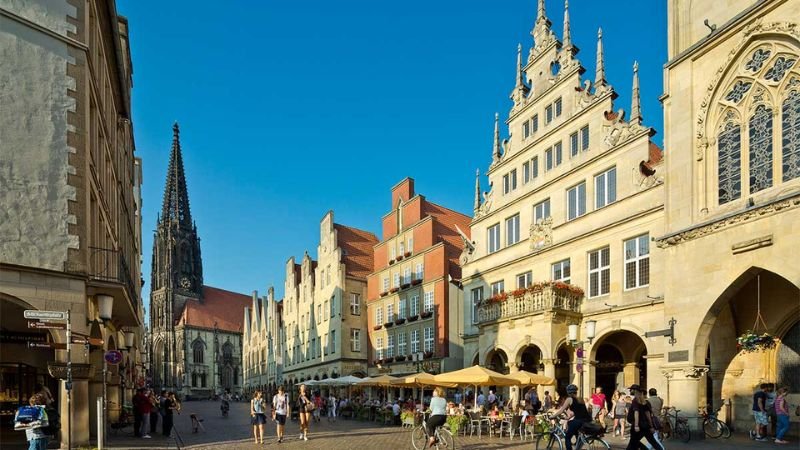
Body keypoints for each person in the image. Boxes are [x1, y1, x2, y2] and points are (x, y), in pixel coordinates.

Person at [550, 384, 590, 450]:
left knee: (567, 437)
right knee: (573, 427)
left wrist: (553, 416)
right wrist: (569, 417)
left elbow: (561, 410)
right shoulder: (580, 398)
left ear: (568, 392)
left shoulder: (569, 399)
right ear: (576, 392)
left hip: (578, 420)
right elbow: (579, 411)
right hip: (586, 420)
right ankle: (578, 445)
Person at [626, 384, 663, 450]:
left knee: (633, 443)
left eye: (631, 390)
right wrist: (651, 426)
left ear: (635, 391)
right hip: (646, 426)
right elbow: (648, 415)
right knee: (652, 442)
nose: (630, 391)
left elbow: (636, 412)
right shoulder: (646, 402)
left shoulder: (635, 400)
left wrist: (636, 425)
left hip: (638, 426)